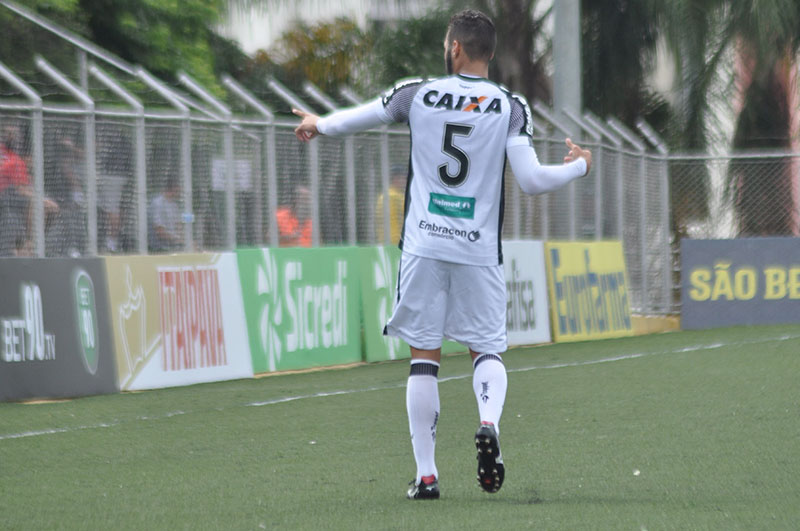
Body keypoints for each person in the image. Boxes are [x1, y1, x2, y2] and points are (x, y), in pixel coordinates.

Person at [294, 9, 591, 500]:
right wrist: (579, 168)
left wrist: (317, 124)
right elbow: (534, 180)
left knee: (424, 359)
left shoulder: (418, 92)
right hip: (478, 250)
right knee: (487, 349)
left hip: (424, 245)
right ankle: (488, 422)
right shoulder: (511, 106)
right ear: (489, 53)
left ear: (454, 47)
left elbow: (361, 117)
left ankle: (427, 476)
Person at [149, 175, 183, 252]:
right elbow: (160, 232)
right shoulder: (157, 204)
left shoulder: (174, 205)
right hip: (161, 249)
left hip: (175, 246)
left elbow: (179, 227)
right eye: (180, 187)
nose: (181, 190)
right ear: (174, 188)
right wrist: (179, 240)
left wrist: (184, 241)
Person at [375, 164, 407, 244]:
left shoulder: (384, 196)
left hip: (385, 241)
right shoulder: (394, 196)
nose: (405, 181)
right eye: (403, 178)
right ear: (396, 179)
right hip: (396, 242)